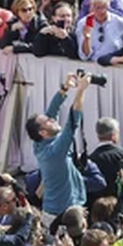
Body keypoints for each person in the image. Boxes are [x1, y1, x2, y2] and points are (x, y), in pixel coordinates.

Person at [25, 71, 90, 221]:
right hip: (64, 213)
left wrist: (65, 87)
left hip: (58, 208)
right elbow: (73, 123)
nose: (53, 120)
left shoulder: (40, 142)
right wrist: (80, 90)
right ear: (42, 132)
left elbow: (52, 111)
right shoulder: (53, 153)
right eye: (49, 121)